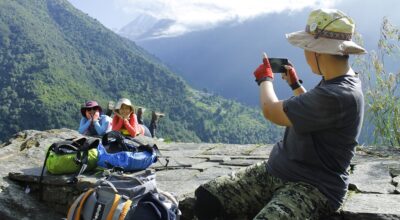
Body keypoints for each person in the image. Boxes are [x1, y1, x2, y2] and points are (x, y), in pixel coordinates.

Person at [194, 8, 366, 219]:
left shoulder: (340, 93)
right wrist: (295, 84)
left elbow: (271, 111)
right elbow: (315, 113)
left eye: (306, 46)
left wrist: (264, 79)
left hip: (314, 186)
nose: (305, 53)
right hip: (278, 169)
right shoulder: (338, 81)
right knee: (207, 198)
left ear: (317, 51)